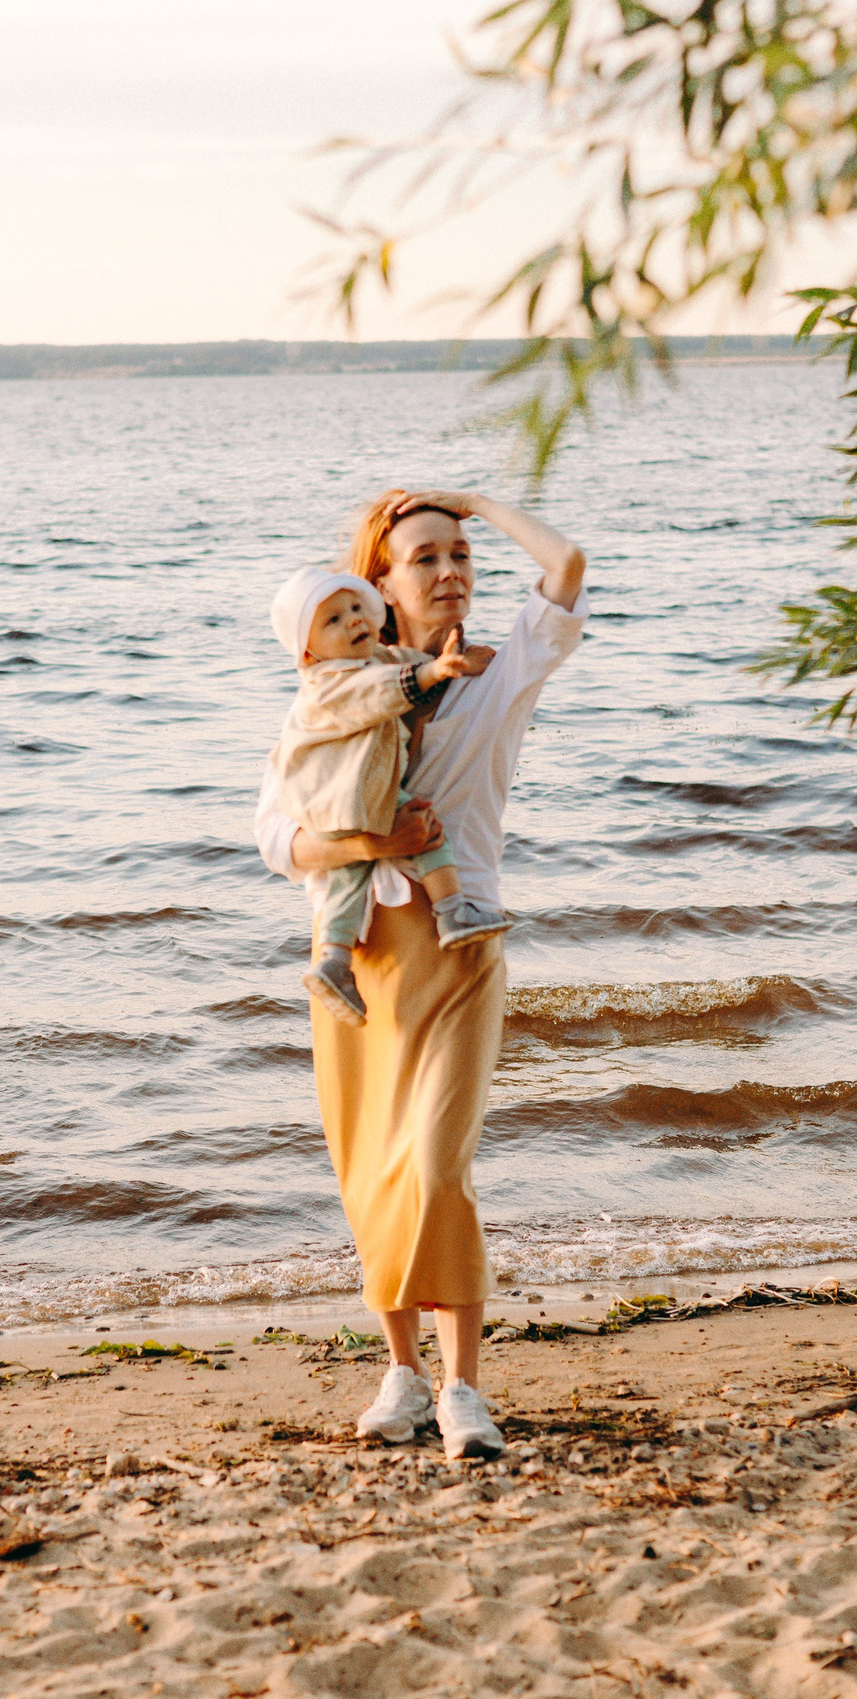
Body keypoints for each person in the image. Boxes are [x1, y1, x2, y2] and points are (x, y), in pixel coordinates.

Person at [254, 489, 588, 1461]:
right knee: (372, 1170)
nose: (449, 573)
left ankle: (462, 1387)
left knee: (437, 1167)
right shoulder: (332, 689)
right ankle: (400, 1374)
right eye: (425, 558)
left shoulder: (498, 671)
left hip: (459, 942)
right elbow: (276, 838)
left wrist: (476, 502)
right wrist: (373, 842)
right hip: (357, 956)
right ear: (381, 585)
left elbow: (565, 568)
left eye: (460, 556)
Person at [265, 565, 513, 1026]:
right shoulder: (329, 684)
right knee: (425, 829)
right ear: (309, 652)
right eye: (334, 620)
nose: (354, 620)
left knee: (348, 880)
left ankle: (334, 960)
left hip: (337, 808)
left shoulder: (373, 658)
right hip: (348, 798)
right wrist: (433, 671)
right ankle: (452, 911)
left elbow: (401, 661)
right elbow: (380, 690)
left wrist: (454, 661)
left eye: (356, 608)